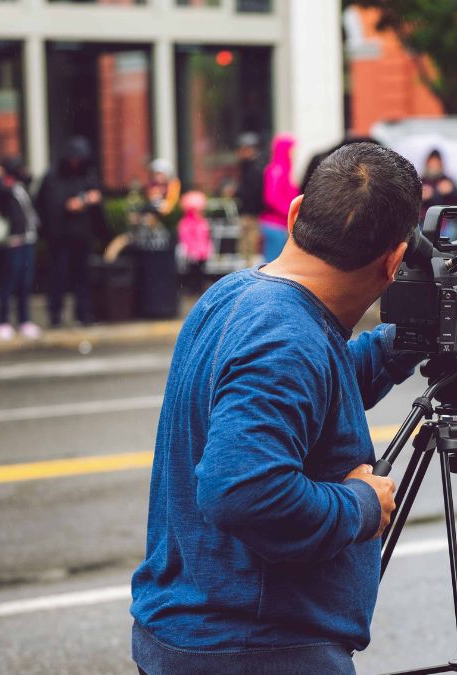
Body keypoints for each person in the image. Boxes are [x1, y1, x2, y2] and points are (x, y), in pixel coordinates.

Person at [131, 142, 429, 675]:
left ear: (294, 215)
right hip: (255, 650)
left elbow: (309, 400)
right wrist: (361, 504)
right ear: (394, 261)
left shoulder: (238, 295)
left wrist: (398, 346)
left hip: (207, 636)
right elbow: (243, 491)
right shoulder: (288, 340)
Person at [36, 136, 103, 327]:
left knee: (83, 276)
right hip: (59, 237)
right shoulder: (53, 176)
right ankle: (55, 315)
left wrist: (93, 200)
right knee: (58, 276)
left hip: (82, 236)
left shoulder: (87, 174)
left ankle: (84, 313)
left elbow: (97, 203)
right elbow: (49, 205)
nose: (76, 162)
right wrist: (76, 203)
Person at [0, 157, 41, 341]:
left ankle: (24, 321)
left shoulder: (19, 187)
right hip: (12, 242)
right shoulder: (4, 188)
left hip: (27, 240)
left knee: (25, 283)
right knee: (8, 283)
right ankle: (3, 322)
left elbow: (30, 178)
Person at [261, 134, 299, 263]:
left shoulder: (284, 169)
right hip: (275, 225)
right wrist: (291, 212)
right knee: (273, 263)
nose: (294, 153)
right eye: (292, 149)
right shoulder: (277, 170)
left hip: (281, 224)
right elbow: (272, 198)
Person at [235, 132, 265, 265]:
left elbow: (252, 192)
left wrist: (237, 193)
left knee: (250, 251)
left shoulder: (255, 168)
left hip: (253, 216)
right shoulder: (247, 167)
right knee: (245, 251)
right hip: (248, 214)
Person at [420, 149, 457, 228]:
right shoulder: (421, 181)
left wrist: (451, 191)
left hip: (445, 223)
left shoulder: (447, 181)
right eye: (432, 163)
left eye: (436, 163)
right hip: (424, 222)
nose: (434, 166)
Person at [178, 191, 212, 294]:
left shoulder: (202, 222)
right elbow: (186, 238)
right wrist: (191, 250)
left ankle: (198, 289)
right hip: (193, 253)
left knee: (201, 272)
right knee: (193, 272)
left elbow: (206, 237)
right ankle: (192, 290)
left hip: (202, 252)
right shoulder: (186, 223)